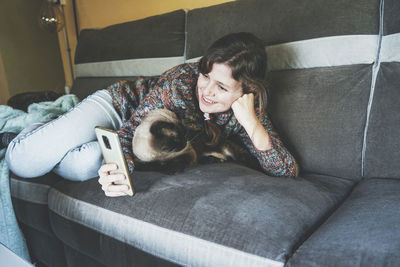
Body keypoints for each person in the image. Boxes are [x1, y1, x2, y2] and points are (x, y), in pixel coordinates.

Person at [6, 32, 298, 197]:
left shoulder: (248, 110)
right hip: (117, 107)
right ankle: (39, 125)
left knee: (85, 165)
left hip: (130, 133)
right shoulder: (182, 81)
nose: (206, 91)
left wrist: (251, 123)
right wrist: (122, 166)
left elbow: (287, 171)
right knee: (23, 161)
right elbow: (133, 137)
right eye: (205, 76)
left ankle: (60, 130)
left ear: (246, 90)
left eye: (221, 86)